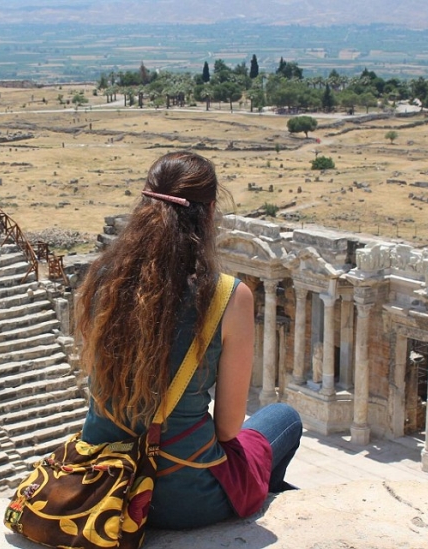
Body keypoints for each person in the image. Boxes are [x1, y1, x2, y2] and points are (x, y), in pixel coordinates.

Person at [77, 151, 302, 530]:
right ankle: (259, 505)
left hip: (102, 484)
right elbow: (229, 429)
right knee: (284, 418)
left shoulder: (101, 278)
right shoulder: (228, 296)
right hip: (182, 500)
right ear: (209, 212)